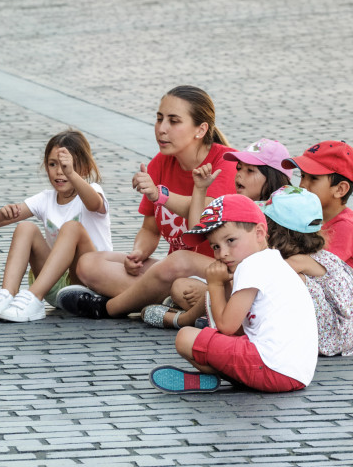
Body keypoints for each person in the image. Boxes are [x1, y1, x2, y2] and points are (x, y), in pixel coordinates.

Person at [57, 86, 237, 320]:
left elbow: (206, 211)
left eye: (173, 121)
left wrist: (159, 195)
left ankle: (110, 306)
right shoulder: (160, 163)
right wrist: (139, 253)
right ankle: (168, 302)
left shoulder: (226, 161)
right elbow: (150, 229)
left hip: (219, 270)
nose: (161, 129)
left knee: (180, 276)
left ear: (201, 129)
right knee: (89, 264)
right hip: (173, 272)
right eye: (159, 119)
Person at [149, 194, 318, 394]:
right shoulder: (271, 262)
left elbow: (227, 327)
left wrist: (215, 285)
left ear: (259, 232)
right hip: (294, 374)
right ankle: (233, 376)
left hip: (271, 368)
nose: (223, 253)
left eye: (231, 240)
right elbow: (238, 330)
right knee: (212, 336)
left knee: (185, 337)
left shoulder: (253, 265)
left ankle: (215, 375)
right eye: (215, 247)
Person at [143, 138, 293, 328]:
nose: (239, 175)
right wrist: (200, 189)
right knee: (181, 287)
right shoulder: (236, 204)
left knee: (194, 296)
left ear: (273, 176)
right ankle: (208, 309)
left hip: (265, 287)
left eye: (250, 171)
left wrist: (214, 288)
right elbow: (199, 227)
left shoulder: (285, 208)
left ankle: (187, 317)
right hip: (235, 279)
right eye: (239, 168)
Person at [0, 129, 112, 322]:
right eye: (52, 164)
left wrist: (72, 174)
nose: (59, 171)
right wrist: (1, 215)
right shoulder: (45, 199)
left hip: (90, 283)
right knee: (26, 227)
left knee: (71, 228)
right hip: (54, 284)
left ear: (83, 167)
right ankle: (7, 294)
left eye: (66, 165)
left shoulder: (92, 191)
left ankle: (33, 296)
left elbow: (94, 204)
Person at [263, 186, 353, 356]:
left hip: (332, 336)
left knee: (289, 280)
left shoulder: (297, 261)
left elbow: (263, 278)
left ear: (275, 231)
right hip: (346, 331)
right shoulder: (318, 255)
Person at [286, 140, 353, 267]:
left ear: (340, 189)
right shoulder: (310, 217)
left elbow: (318, 269)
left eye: (313, 178)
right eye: (302, 176)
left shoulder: (346, 227)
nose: (302, 185)